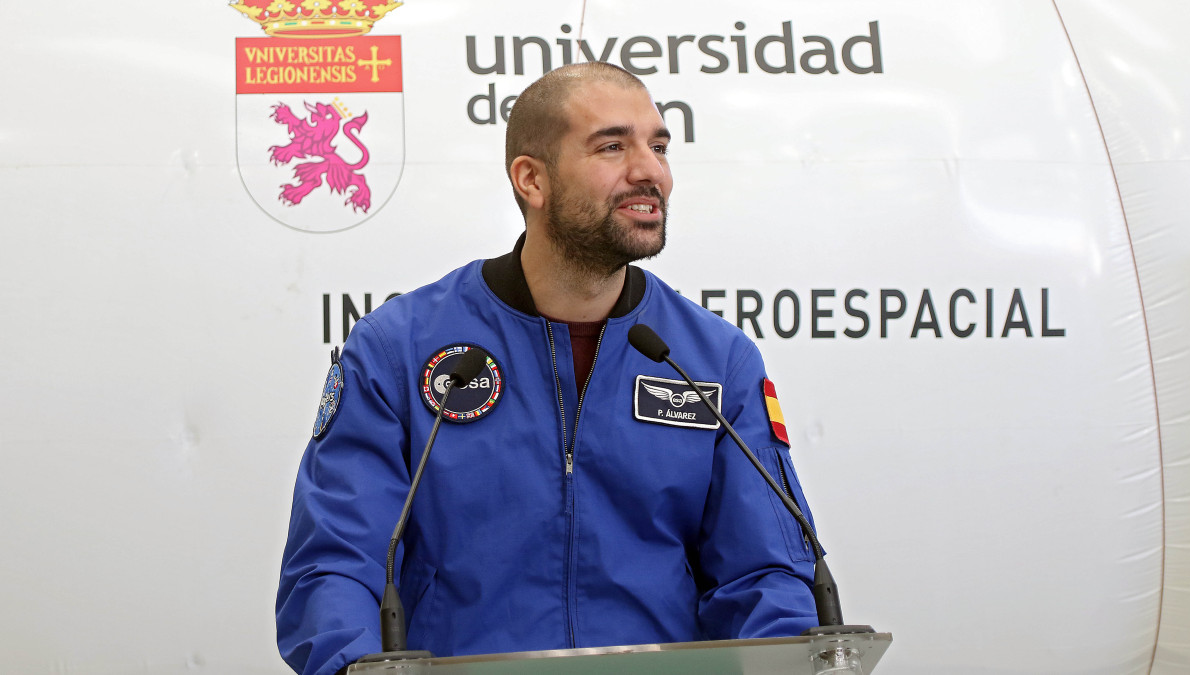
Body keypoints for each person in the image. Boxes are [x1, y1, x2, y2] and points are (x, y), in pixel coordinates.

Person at [276, 62, 820, 675]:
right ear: (532, 179)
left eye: (659, 145)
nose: (650, 170)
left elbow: (767, 574)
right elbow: (336, 566)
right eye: (613, 146)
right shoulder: (399, 350)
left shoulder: (713, 360)